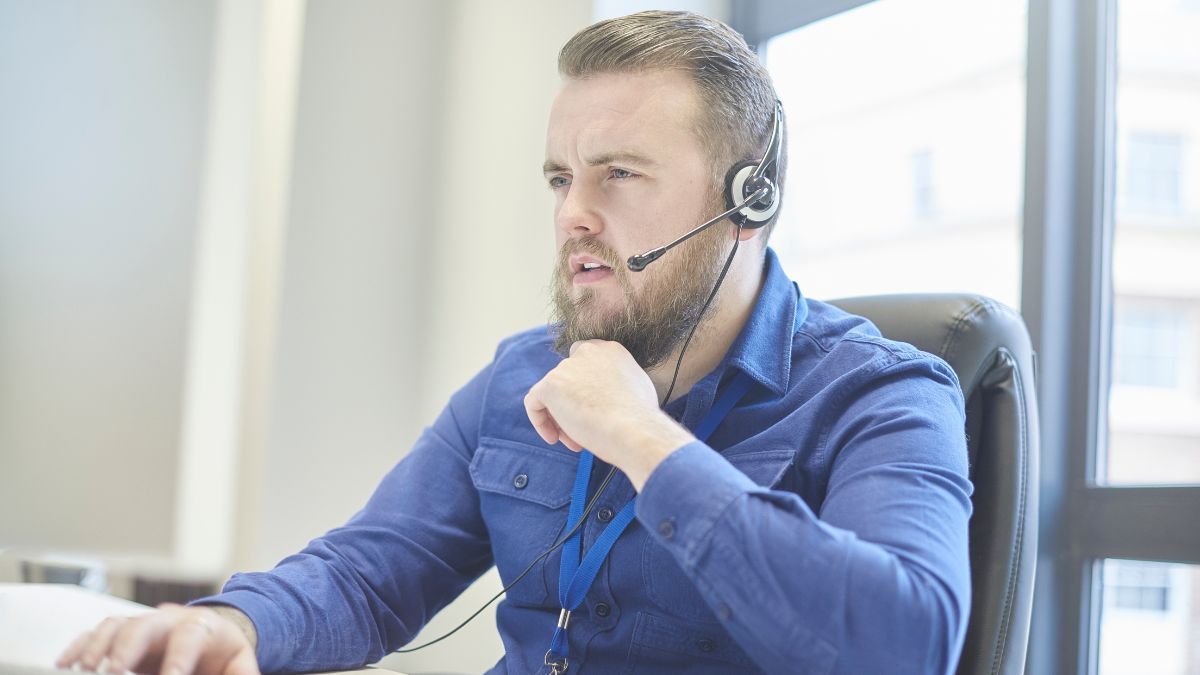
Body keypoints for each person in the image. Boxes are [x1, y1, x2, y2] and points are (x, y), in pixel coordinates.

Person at [58, 11, 972, 675]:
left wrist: (645, 441)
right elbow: (370, 574)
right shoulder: (523, 375)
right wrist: (238, 627)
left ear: (747, 202)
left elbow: (906, 644)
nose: (573, 214)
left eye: (618, 174)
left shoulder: (884, 395)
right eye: (561, 177)